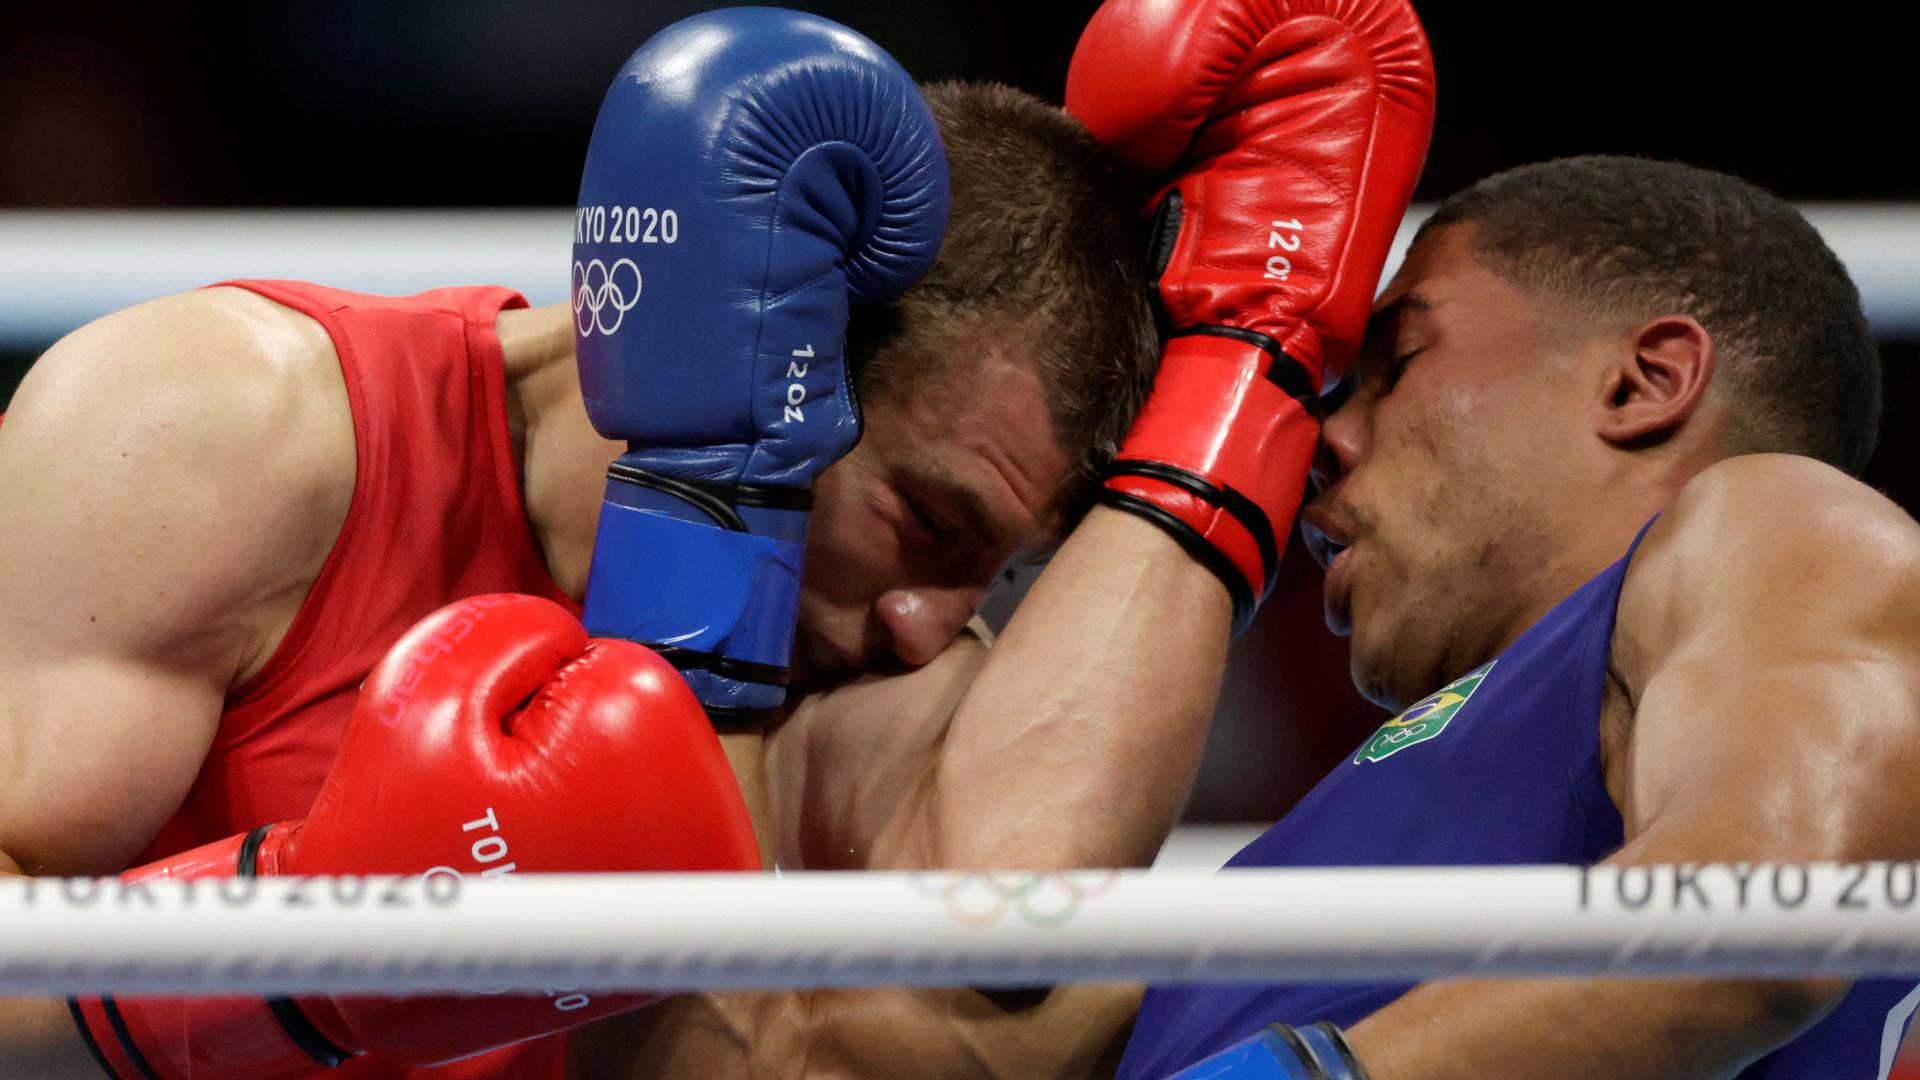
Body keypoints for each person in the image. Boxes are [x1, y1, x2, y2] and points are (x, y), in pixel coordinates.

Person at [0, 0, 1436, 1076]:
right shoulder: (226, 431)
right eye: (929, 521)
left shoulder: (872, 658)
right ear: (788, 362)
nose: (933, 625)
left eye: (992, 570)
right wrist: (311, 954)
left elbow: (978, 1023)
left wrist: (1252, 358)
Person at [1114, 156, 1920, 1079]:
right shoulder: (1408, 797)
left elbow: (1762, 920)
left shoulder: (1785, 522)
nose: (1324, 444)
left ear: (1641, 384)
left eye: (1397, 368)